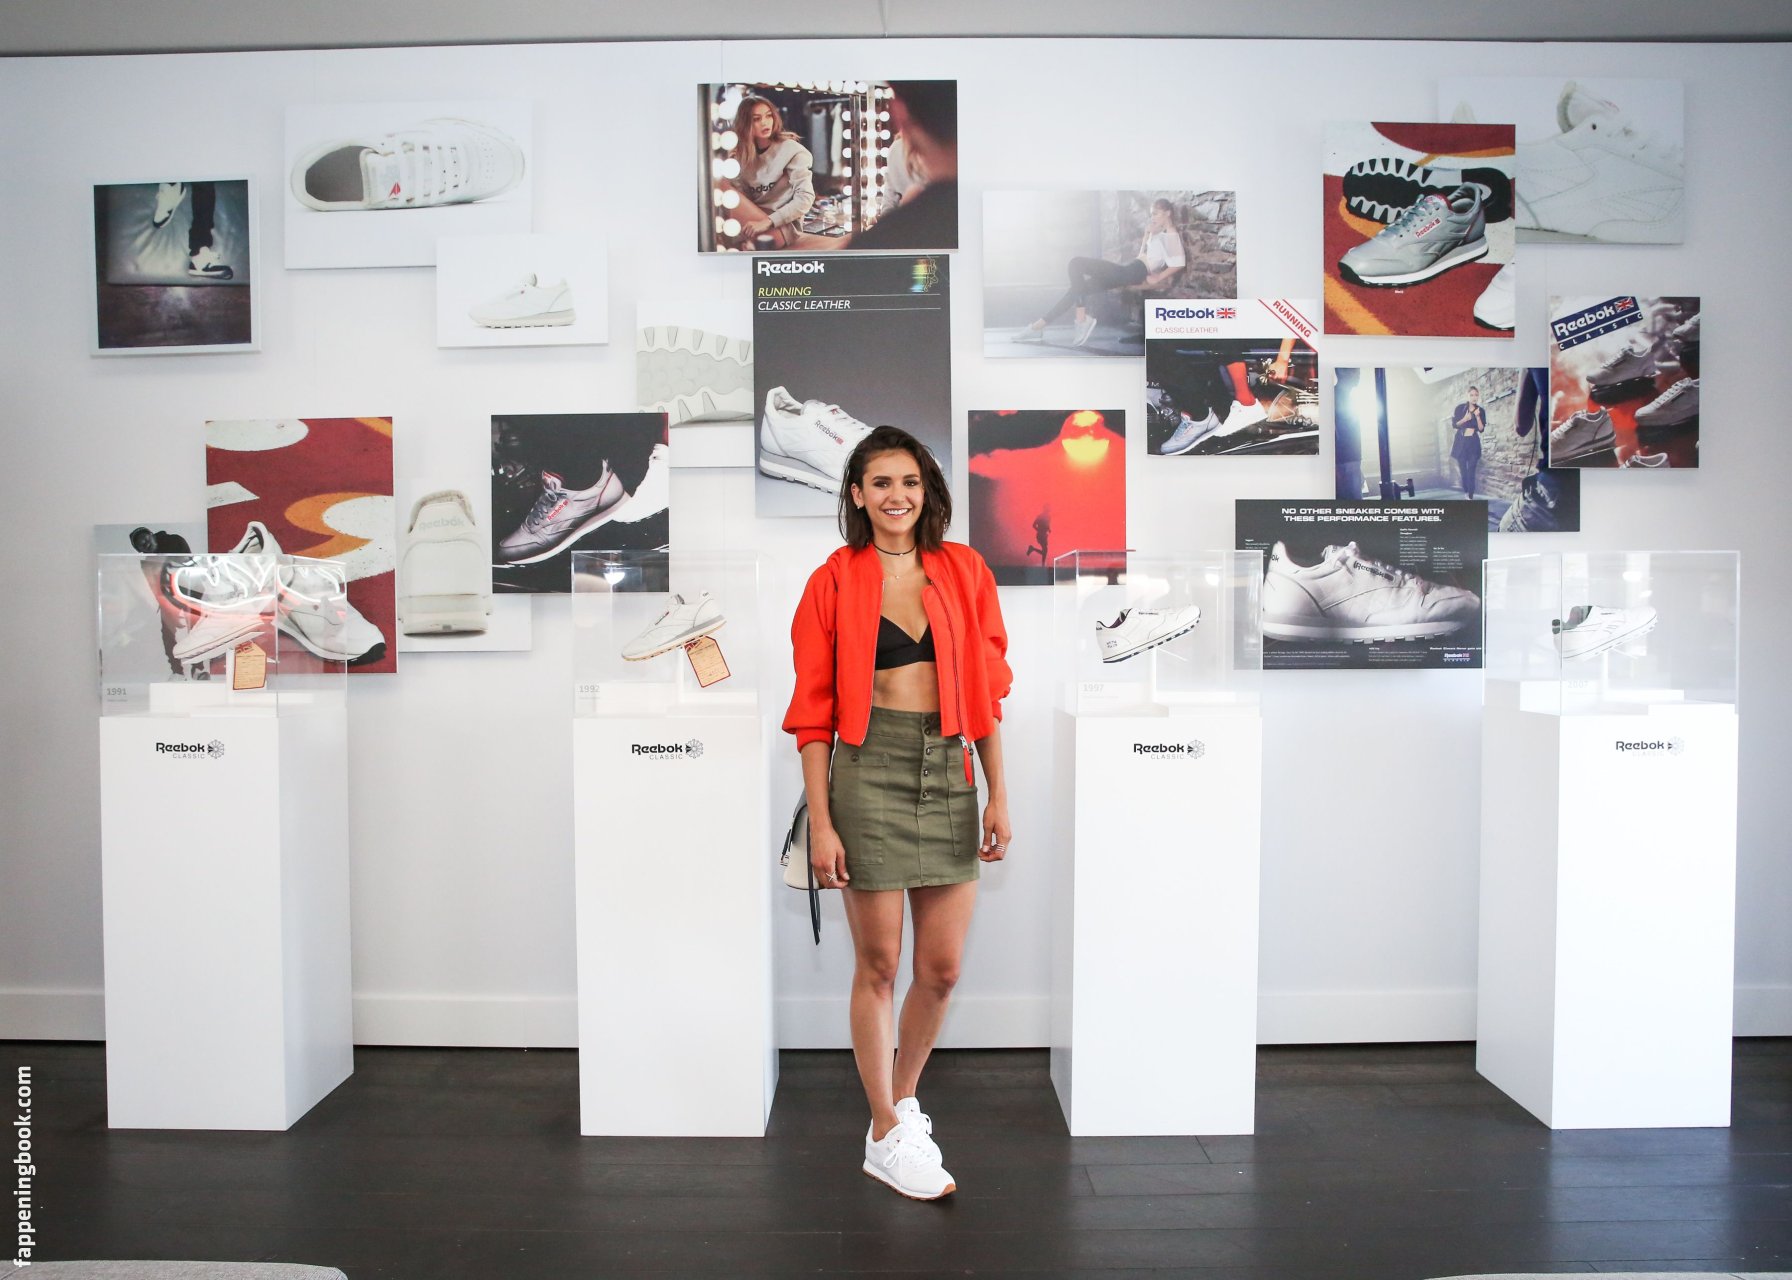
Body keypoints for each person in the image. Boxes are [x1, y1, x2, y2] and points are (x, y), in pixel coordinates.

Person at [784, 425, 1012, 1202]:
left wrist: (998, 793)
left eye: (910, 481)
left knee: (941, 971)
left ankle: (902, 1104)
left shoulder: (965, 570)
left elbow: (987, 696)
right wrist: (822, 822)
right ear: (856, 494)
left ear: (927, 491)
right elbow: (812, 716)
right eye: (881, 482)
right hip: (867, 771)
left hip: (949, 768)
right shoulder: (832, 580)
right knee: (879, 967)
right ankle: (883, 1130)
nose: (897, 496)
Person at [1013, 198, 1187, 348]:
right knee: (1076, 290)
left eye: (1155, 213)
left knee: (1076, 263)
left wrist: (1159, 276)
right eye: (1151, 214)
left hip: (1134, 272)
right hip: (1130, 269)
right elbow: (1143, 255)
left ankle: (1081, 319)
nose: (1152, 217)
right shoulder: (1159, 233)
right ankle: (1038, 327)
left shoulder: (1171, 234)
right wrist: (1147, 236)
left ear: (1168, 213)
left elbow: (1179, 263)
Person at [847, 81, 958, 251]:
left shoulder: (869, 245)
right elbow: (889, 195)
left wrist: (890, 226)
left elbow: (889, 198)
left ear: (899, 113)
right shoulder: (896, 150)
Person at [720, 95, 814, 249]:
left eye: (768, 116)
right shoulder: (743, 155)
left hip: (781, 226)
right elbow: (742, 200)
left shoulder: (791, 149)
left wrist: (767, 222)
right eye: (756, 119)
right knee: (720, 184)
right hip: (753, 221)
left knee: (717, 184)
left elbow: (805, 199)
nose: (765, 122)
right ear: (745, 124)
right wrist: (732, 167)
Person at [1450, 384, 1486, 499]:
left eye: (1476, 395)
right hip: (1461, 443)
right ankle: (1466, 491)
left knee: (1471, 469)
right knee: (1463, 471)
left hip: (1473, 443)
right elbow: (1455, 425)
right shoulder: (1459, 409)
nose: (1474, 397)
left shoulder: (1481, 410)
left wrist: (1478, 417)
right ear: (1468, 396)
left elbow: (1481, 429)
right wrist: (1465, 419)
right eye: (1471, 395)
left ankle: (1470, 494)